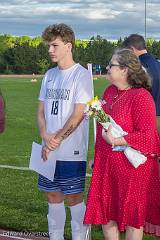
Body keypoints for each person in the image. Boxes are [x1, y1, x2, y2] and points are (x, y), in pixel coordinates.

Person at [84, 49, 160, 240]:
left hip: (133, 170)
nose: (107, 68)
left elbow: (147, 135)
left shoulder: (142, 97)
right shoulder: (109, 91)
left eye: (112, 65)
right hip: (108, 166)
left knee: (133, 219)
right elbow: (104, 128)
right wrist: (97, 156)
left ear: (124, 70)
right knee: (107, 216)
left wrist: (117, 140)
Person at [37, 23, 93, 240]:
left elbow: (78, 115)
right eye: (49, 45)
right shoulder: (49, 75)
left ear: (68, 46)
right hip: (48, 150)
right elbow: (40, 111)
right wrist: (45, 136)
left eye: (54, 45)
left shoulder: (81, 75)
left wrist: (57, 139)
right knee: (52, 197)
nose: (50, 50)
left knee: (74, 198)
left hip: (71, 151)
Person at [122, 34, 160, 203]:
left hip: (149, 121)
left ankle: (144, 208)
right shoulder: (158, 64)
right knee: (159, 166)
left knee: (139, 164)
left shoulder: (140, 66)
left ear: (131, 50)